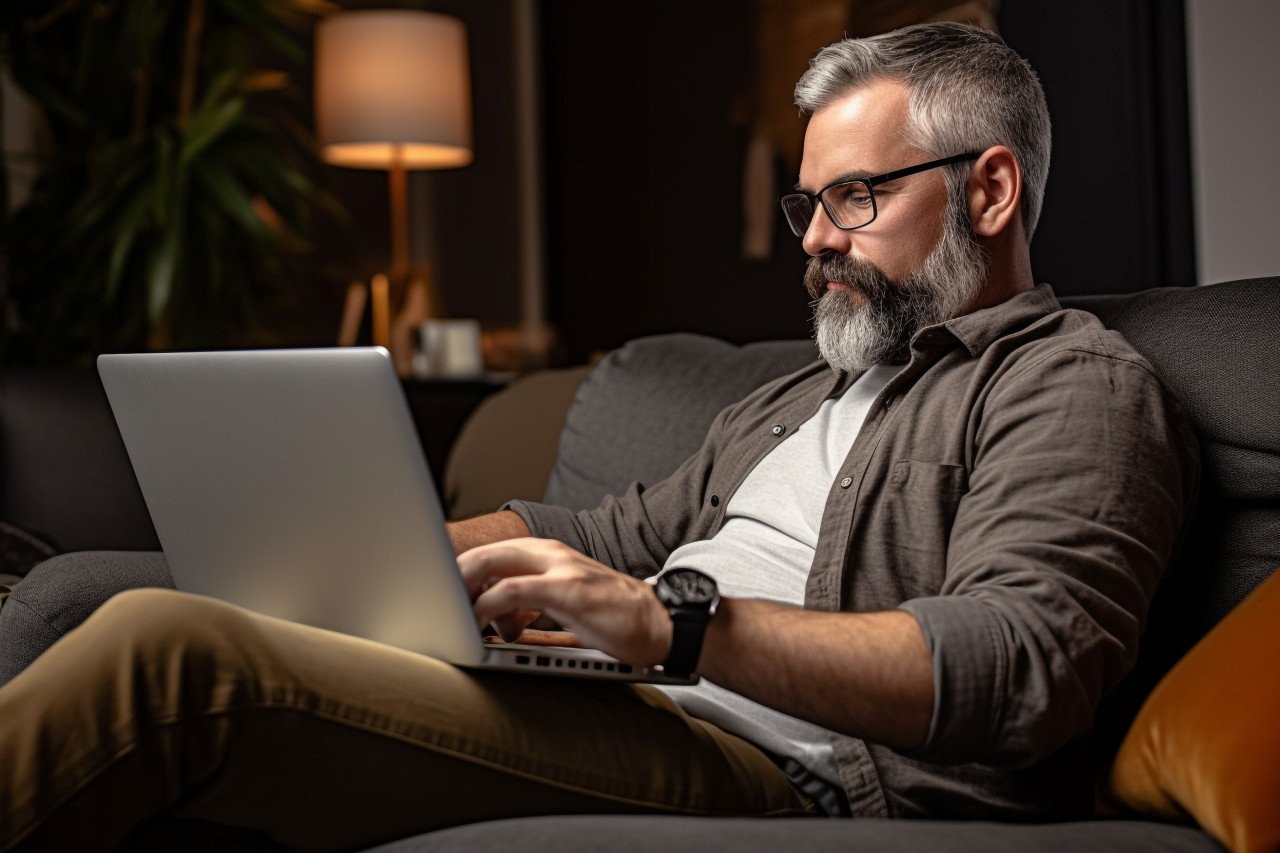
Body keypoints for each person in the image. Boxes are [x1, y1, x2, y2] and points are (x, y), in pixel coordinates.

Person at [0, 21, 1197, 852]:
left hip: (777, 770)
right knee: (82, 594)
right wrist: (375, 554)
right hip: (620, 698)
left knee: (168, 647)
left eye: (855, 198)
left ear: (987, 192)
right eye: (807, 203)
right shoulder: (798, 397)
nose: (813, 241)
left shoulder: (1069, 386)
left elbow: (1021, 663)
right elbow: (603, 530)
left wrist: (672, 622)